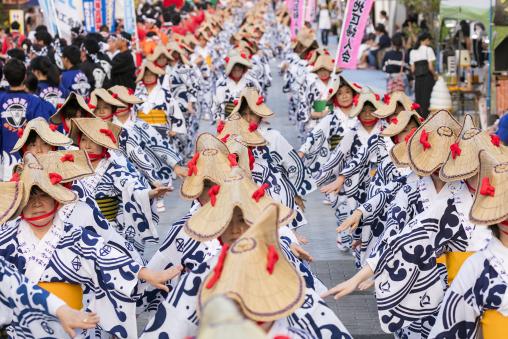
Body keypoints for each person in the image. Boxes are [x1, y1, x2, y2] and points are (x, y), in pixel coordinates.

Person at [0, 58, 56, 180]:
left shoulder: (1, 100)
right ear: (25, 76)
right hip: (31, 160)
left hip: (4, 162)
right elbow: (43, 132)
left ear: (5, 77)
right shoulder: (35, 101)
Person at [410, 32, 437, 118]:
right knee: (427, 98)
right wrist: (436, 75)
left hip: (418, 78)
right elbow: (430, 67)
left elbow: (412, 69)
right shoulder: (428, 50)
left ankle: (419, 119)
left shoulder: (413, 51)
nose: (429, 42)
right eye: (429, 40)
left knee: (418, 99)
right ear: (425, 40)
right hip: (427, 77)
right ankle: (427, 119)